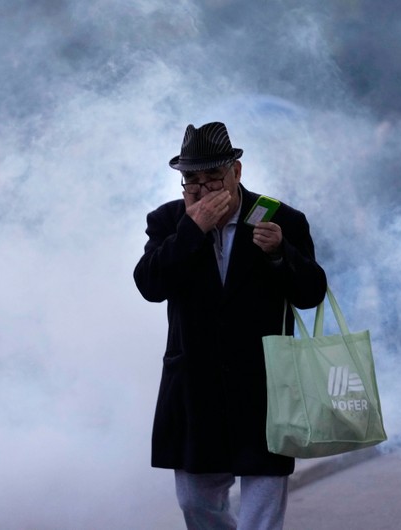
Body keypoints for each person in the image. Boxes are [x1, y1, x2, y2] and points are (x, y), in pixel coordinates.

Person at [133, 121, 327, 529]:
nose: (202, 190)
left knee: (263, 500)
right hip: (195, 386)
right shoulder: (169, 222)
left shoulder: (280, 218)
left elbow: (311, 293)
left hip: (264, 386)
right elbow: (150, 284)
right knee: (195, 501)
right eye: (192, 180)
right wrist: (192, 230)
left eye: (212, 178)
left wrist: (280, 255)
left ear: (236, 173)